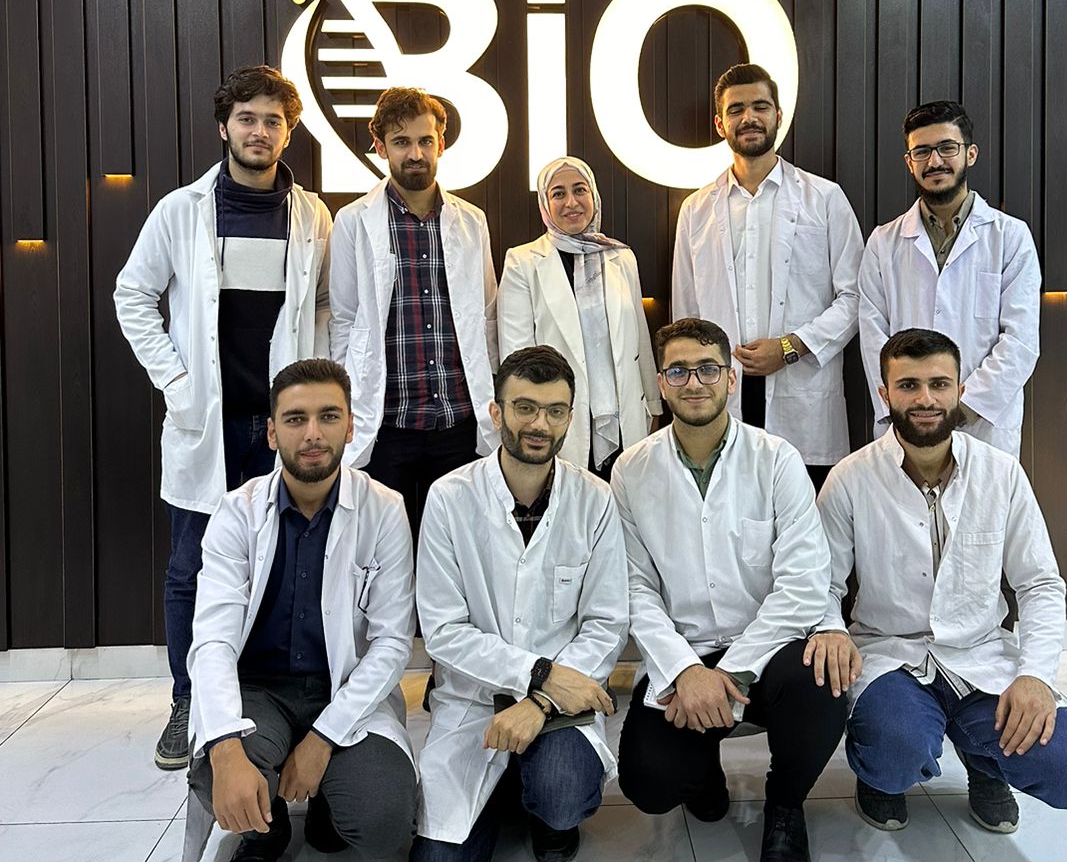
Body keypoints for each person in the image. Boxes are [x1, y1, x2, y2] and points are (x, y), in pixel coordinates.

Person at [113, 65, 332, 772]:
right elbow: (132, 294)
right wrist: (176, 382)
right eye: (247, 119)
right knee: (192, 568)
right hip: (207, 425)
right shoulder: (180, 210)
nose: (259, 131)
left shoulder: (312, 216)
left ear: (288, 133)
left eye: (273, 121)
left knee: (279, 560)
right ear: (224, 127)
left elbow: (323, 305)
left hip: (280, 428)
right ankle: (188, 701)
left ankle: (259, 694)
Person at [811, 327, 1067, 837]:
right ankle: (880, 776)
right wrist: (830, 629)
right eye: (909, 385)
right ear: (885, 394)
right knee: (895, 753)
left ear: (960, 389)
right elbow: (821, 582)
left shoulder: (1000, 473)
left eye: (939, 384)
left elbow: (1039, 584)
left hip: (980, 654)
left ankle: (985, 763)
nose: (925, 399)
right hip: (892, 655)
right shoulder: (851, 478)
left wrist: (1035, 675)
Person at [613, 318, 846, 862]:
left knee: (820, 684)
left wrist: (732, 671)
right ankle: (702, 778)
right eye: (678, 371)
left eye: (708, 369)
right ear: (661, 382)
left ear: (731, 378)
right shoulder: (630, 469)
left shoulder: (777, 458)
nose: (694, 383)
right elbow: (634, 589)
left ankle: (785, 805)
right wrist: (686, 670)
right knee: (648, 782)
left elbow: (803, 583)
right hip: (683, 655)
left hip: (766, 651)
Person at [180, 359, 418, 862]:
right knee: (215, 774)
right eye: (295, 419)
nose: (312, 433)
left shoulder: (384, 511)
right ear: (272, 432)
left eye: (328, 416)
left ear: (350, 426)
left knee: (383, 820)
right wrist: (225, 749)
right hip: (259, 692)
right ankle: (263, 835)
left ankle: (329, 797)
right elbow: (212, 642)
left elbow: (391, 645)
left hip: (345, 690)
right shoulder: (236, 514)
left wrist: (322, 739)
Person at [409, 346, 628, 862]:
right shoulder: (449, 498)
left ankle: (544, 804)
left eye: (555, 411)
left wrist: (541, 701)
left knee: (562, 795)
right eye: (525, 407)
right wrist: (538, 673)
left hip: (560, 704)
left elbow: (606, 623)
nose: (539, 424)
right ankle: (509, 785)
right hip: (474, 700)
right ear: (496, 412)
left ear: (570, 417)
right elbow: (443, 629)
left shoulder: (595, 499)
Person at [672, 62, 863, 490]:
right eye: (736, 109)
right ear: (720, 124)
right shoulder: (696, 210)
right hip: (723, 392)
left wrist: (790, 347)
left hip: (802, 390)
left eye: (760, 106)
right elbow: (686, 314)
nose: (749, 117)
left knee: (807, 516)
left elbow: (855, 298)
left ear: (778, 115)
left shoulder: (824, 199)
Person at [329, 85, 499, 533]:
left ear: (441, 143)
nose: (416, 154)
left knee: (459, 549)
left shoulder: (472, 220)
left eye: (426, 140)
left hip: (459, 421)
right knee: (387, 551)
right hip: (389, 424)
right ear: (380, 146)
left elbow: (486, 317)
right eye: (402, 142)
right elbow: (344, 320)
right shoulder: (353, 220)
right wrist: (345, 404)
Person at [857, 100, 1041, 459]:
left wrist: (963, 405)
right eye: (922, 152)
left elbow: (1020, 339)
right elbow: (873, 333)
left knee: (982, 495)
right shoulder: (883, 242)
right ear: (909, 162)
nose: (934, 161)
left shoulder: (1009, 236)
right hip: (907, 420)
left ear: (970, 154)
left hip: (982, 424)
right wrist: (907, 402)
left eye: (946, 148)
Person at [497, 155, 661, 478]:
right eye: (558, 193)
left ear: (594, 196)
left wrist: (653, 406)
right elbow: (516, 357)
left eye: (579, 190)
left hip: (626, 418)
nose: (571, 202)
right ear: (545, 203)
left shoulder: (622, 257)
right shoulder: (523, 262)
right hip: (558, 419)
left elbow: (640, 338)